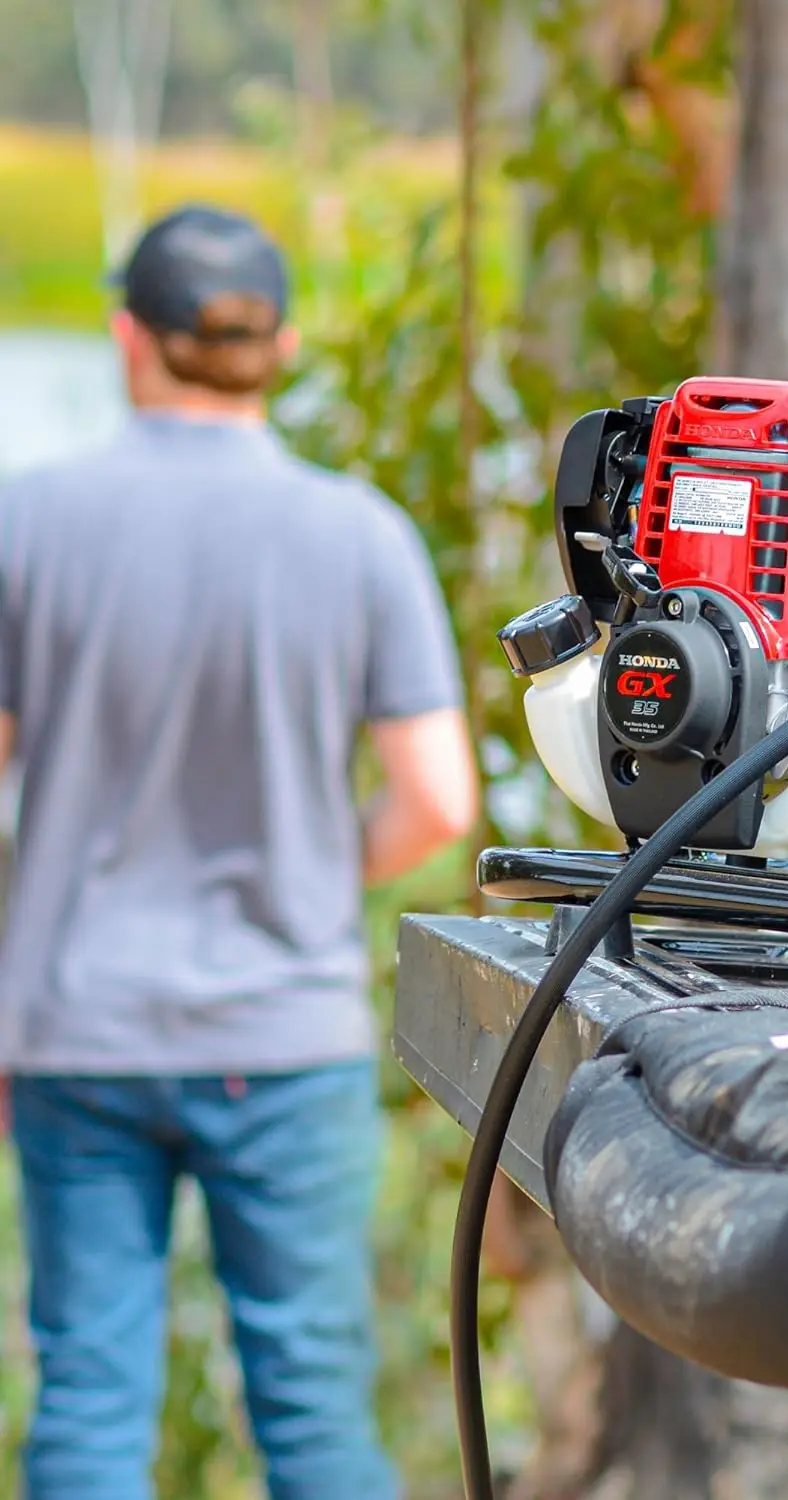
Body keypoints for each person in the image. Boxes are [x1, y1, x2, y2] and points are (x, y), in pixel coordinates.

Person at [0, 204, 479, 1500]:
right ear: (282, 345)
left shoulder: (25, 520)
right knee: (316, 1417)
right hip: (284, 1035)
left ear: (127, 339)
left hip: (76, 1030)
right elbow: (438, 800)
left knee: (89, 1408)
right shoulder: (360, 534)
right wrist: (318, 878)